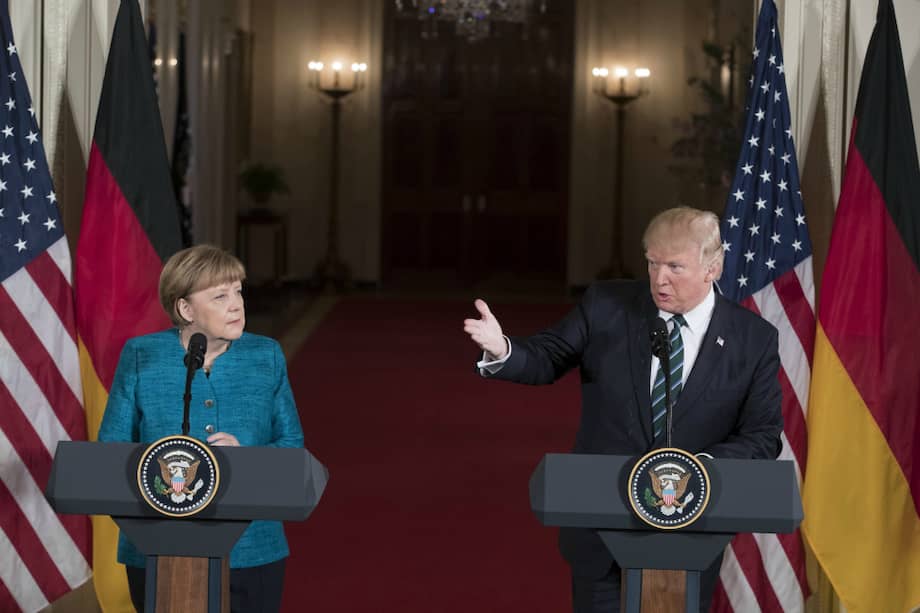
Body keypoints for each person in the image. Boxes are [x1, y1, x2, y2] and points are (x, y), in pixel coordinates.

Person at [462, 206, 783, 612]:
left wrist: (694, 470)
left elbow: (763, 435)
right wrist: (504, 349)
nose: (659, 278)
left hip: (691, 536)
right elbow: (548, 357)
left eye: (674, 267)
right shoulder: (607, 305)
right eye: (652, 263)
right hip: (601, 531)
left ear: (713, 267)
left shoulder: (752, 339)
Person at [97, 244, 304, 613]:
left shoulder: (266, 355)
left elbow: (291, 446)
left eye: (239, 291)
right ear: (185, 309)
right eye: (220, 295)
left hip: (252, 548)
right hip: (156, 546)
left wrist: (246, 459)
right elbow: (111, 448)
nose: (237, 304)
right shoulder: (141, 355)